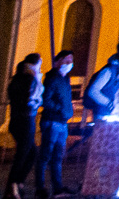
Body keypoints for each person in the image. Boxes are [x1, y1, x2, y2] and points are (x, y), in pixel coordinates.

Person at [35, 50, 76, 198]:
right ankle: (40, 188)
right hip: (52, 121)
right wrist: (61, 109)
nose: (68, 64)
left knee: (57, 157)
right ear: (57, 61)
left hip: (61, 122)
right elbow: (46, 99)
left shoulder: (65, 79)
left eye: (70, 61)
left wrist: (68, 109)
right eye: (65, 60)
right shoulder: (52, 78)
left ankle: (57, 188)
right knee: (45, 155)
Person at [5, 54, 43, 199]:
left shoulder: (18, 79)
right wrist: (36, 101)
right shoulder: (28, 79)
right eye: (39, 64)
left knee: (31, 153)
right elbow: (31, 98)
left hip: (20, 121)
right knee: (23, 155)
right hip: (25, 121)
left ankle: (17, 183)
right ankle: (13, 185)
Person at [84, 40, 119, 120]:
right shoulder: (109, 70)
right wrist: (109, 103)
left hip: (118, 112)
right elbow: (93, 91)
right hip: (104, 114)